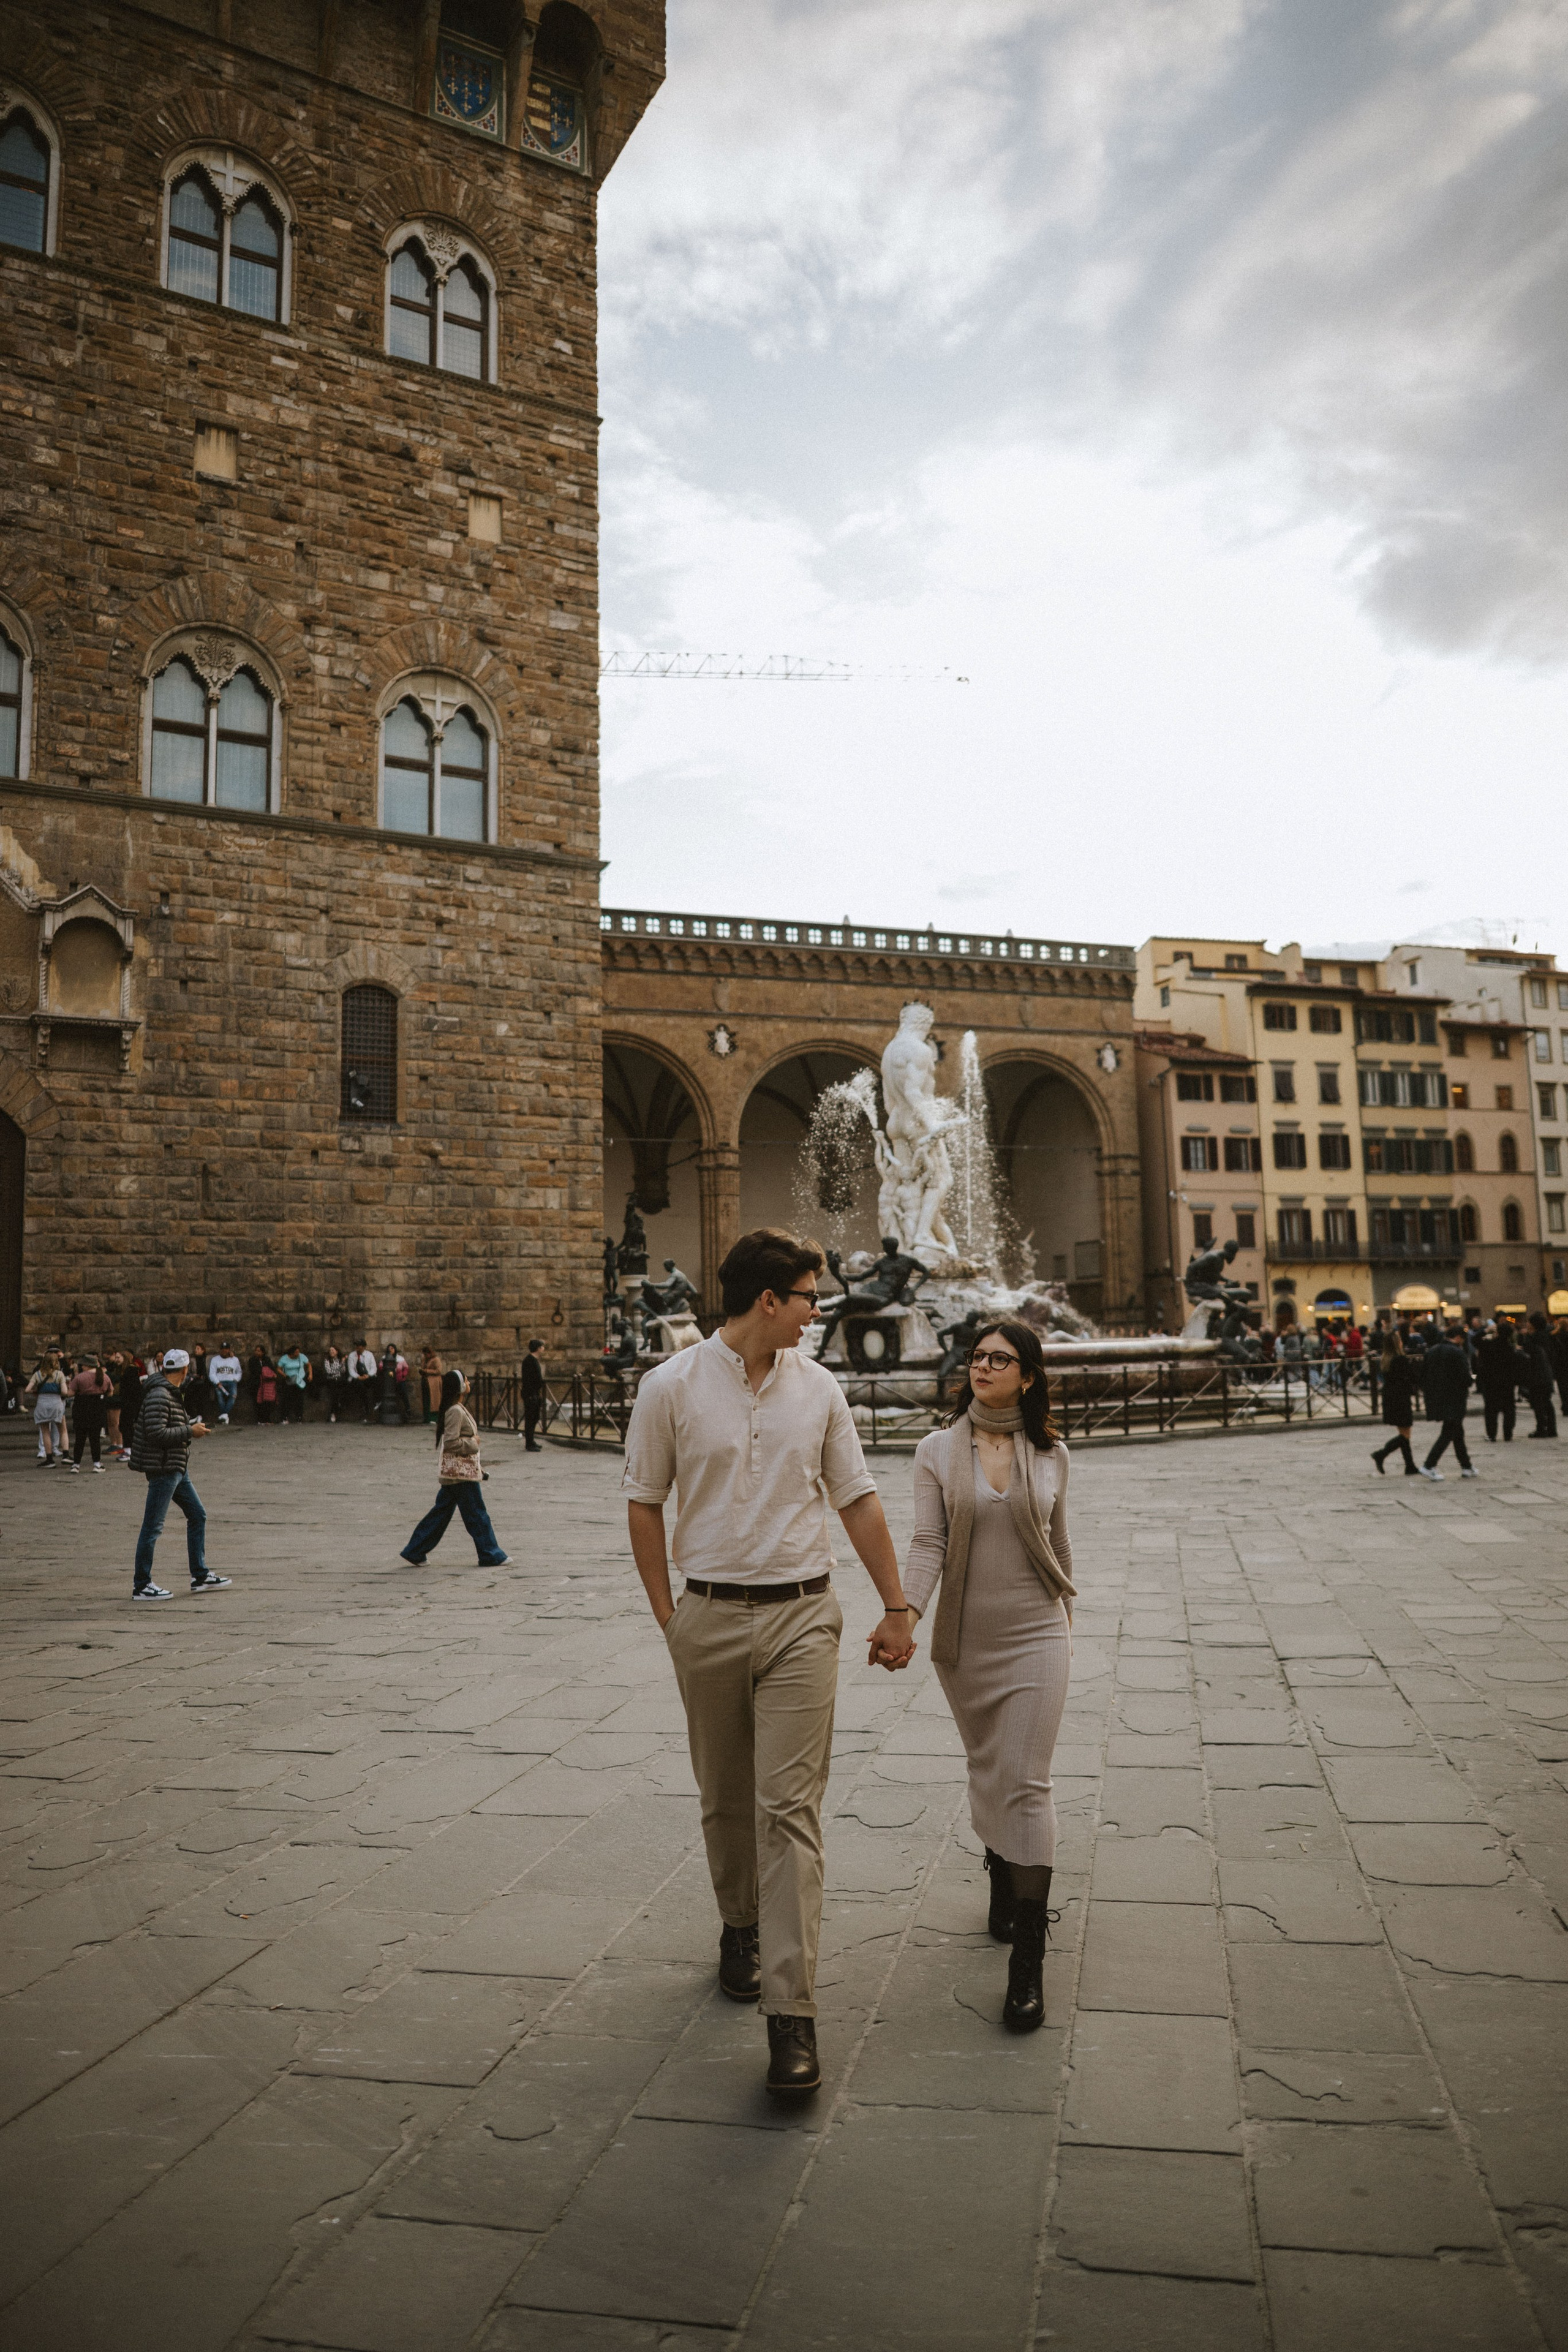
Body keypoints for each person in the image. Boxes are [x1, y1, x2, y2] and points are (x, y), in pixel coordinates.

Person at [622, 1226, 913, 2100]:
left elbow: (857, 1500)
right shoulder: (669, 1386)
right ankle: (738, 1926)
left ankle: (793, 2015)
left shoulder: (819, 1389)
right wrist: (671, 1618)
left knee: (791, 1814)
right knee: (725, 1800)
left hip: (801, 1618)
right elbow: (644, 1504)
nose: (818, 1311)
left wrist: (897, 1606)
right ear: (766, 1301)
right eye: (808, 1297)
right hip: (707, 1614)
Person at [903, 1319, 1074, 2033]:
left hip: (1038, 1629)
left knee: (1026, 1780)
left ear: (1027, 1376)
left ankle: (1026, 1964)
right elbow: (927, 1540)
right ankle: (1000, 1868)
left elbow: (1060, 1541)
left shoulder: (1053, 1452)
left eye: (999, 1359)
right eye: (976, 1357)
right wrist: (902, 1614)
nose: (983, 1367)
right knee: (988, 1769)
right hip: (966, 1639)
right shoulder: (936, 1450)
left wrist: (1068, 1616)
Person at [129, 1347, 231, 1599]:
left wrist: (189, 1427)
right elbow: (156, 1433)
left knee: (198, 1515)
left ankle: (200, 1575)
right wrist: (190, 1432)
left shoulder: (169, 1393)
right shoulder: (160, 1395)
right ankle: (142, 1584)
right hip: (164, 1467)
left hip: (176, 1466)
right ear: (185, 1370)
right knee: (152, 1526)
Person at [399, 1368, 510, 1569]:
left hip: (455, 1476)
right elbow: (451, 1442)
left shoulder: (456, 1408)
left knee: (440, 1515)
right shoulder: (455, 1411)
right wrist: (473, 1443)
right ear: (460, 1386)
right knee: (477, 1514)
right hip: (461, 1476)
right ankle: (490, 1553)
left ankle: (415, 1550)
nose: (469, 1383)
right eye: (466, 1380)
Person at [1419, 1325, 1476, 1480]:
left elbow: (1422, 1375)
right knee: (1449, 1432)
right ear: (1458, 1337)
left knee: (1457, 1432)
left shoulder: (1432, 1351)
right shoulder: (1457, 1353)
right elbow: (1466, 1378)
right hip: (1454, 1398)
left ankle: (1467, 1466)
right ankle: (1429, 1465)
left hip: (1436, 1398)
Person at [1371, 1331, 1420, 1476]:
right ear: (1397, 1343)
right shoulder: (1400, 1359)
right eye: (1399, 1340)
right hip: (1401, 1398)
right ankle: (1381, 1454)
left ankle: (1409, 1465)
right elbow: (1411, 1377)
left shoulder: (1386, 1359)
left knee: (1404, 1433)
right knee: (1405, 1433)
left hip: (1390, 1397)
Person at [69, 1354, 113, 1472]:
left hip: (81, 1409)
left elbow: (70, 1393)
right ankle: (97, 1464)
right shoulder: (104, 1377)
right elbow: (110, 1392)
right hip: (98, 1409)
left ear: (86, 1366)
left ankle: (76, 1465)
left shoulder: (80, 1378)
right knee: (95, 1439)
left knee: (80, 1439)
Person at [1476, 1318, 1518, 1444]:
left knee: (1491, 1410)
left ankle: (1492, 1434)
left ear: (1497, 1332)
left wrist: (1485, 1330)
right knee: (1509, 1408)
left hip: (1490, 1381)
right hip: (1507, 1382)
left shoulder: (1489, 1345)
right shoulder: (1511, 1349)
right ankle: (1508, 1434)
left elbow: (1475, 1341)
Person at [1521, 1313, 1559, 1439]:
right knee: (1547, 1403)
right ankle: (1552, 1429)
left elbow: (1528, 1351)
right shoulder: (1548, 1336)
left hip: (1537, 1376)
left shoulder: (1534, 1338)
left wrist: (1526, 1335)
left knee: (1538, 1404)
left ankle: (1541, 1429)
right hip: (1547, 1374)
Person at [26, 1352, 68, 1464]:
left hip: (42, 1404)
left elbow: (27, 1389)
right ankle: (66, 1455)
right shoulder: (60, 1374)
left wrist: (35, 1391)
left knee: (45, 1432)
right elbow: (65, 1392)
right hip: (56, 1404)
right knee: (63, 1430)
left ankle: (49, 1459)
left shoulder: (38, 1374)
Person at [208, 1340, 241, 1425]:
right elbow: (212, 1373)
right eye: (222, 1349)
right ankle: (225, 1416)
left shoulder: (235, 1359)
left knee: (233, 1396)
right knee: (220, 1398)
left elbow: (239, 1372)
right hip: (219, 1381)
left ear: (229, 1350)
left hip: (231, 1381)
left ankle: (224, 1415)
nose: (224, 1351)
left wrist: (236, 1379)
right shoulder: (215, 1360)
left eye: (226, 1349)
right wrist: (217, 1382)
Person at [521, 1338, 546, 1451]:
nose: (543, 1349)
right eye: (542, 1347)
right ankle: (529, 1443)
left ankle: (531, 1440)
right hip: (531, 1394)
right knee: (530, 1419)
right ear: (538, 1348)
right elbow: (529, 1379)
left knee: (534, 1418)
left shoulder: (533, 1360)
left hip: (534, 1393)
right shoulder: (529, 1361)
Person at [277, 1343, 309, 1425]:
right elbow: (279, 1368)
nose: (298, 1354)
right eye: (296, 1353)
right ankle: (285, 1417)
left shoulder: (301, 1357)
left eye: (298, 1352)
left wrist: (311, 1374)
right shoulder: (284, 1359)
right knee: (287, 1399)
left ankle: (299, 1417)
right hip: (289, 1380)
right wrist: (284, 1375)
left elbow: (309, 1365)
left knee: (299, 1399)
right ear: (292, 1353)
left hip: (299, 1381)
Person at [347, 1338, 377, 1423]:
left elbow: (374, 1368)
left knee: (375, 1383)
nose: (357, 1347)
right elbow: (351, 1370)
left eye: (359, 1345)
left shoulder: (370, 1355)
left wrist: (368, 1375)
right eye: (356, 1345)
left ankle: (374, 1405)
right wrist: (358, 1377)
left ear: (364, 1347)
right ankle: (366, 1410)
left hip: (368, 1376)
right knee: (361, 1387)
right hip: (358, 1378)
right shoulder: (352, 1356)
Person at [321, 1343, 348, 1422]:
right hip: (331, 1380)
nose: (331, 1352)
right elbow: (329, 1371)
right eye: (330, 1351)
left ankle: (336, 1411)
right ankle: (333, 1413)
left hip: (339, 1379)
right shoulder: (328, 1360)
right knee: (334, 1396)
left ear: (337, 1351)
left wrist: (342, 1363)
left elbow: (343, 1371)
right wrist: (340, 1365)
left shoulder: (340, 1360)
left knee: (340, 1395)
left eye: (333, 1350)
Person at [420, 1343, 443, 1425]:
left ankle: (434, 1418)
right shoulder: (425, 1360)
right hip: (426, 1381)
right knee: (426, 1400)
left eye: (426, 1354)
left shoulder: (436, 1360)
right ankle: (427, 1417)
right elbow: (423, 1367)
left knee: (434, 1401)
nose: (425, 1356)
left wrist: (427, 1371)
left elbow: (438, 1371)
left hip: (434, 1382)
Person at [254, 1353, 278, 1425]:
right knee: (267, 1405)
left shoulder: (265, 1369)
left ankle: (265, 1419)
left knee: (266, 1405)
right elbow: (266, 1376)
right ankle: (266, 1419)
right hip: (268, 1389)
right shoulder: (267, 1369)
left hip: (267, 1389)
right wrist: (274, 1376)